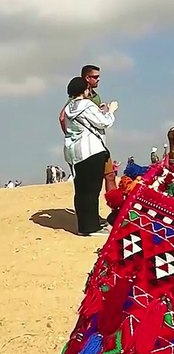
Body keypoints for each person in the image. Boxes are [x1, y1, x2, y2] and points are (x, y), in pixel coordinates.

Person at [63, 76, 116, 236]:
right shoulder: (86, 105)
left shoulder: (68, 108)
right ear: (84, 90)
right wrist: (111, 111)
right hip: (91, 151)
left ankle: (83, 226)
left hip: (75, 153)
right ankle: (91, 227)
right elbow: (104, 122)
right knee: (92, 190)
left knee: (81, 190)